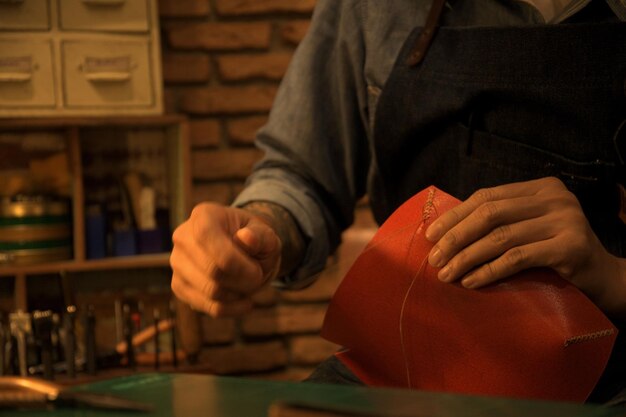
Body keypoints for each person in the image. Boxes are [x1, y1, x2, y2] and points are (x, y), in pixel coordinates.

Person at [170, 0, 626, 404]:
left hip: (599, 384)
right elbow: (300, 173)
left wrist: (611, 274)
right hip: (398, 372)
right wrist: (258, 231)